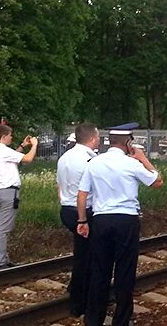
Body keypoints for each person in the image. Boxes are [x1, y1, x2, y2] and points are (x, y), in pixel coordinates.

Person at [76, 123, 163, 326]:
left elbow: (82, 194)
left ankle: (93, 319)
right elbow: (158, 182)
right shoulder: (131, 164)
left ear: (110, 141)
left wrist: (82, 220)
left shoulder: (94, 163)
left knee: (100, 270)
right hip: (126, 221)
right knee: (125, 271)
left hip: (101, 220)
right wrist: (143, 159)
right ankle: (121, 320)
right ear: (128, 142)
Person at [56, 123, 100, 317]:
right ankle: (79, 303)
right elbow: (94, 188)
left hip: (66, 209)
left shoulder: (64, 157)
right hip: (84, 212)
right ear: (91, 139)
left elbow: (59, 185)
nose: (99, 139)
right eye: (98, 136)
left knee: (81, 251)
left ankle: (74, 287)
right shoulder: (90, 160)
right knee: (87, 257)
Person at [0, 124, 38, 270]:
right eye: (10, 135)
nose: (11, 137)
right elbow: (28, 159)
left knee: (2, 226)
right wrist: (34, 146)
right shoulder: (3, 151)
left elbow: (14, 156)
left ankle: (3, 258)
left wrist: (23, 145)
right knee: (3, 229)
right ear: (3, 136)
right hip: (9, 193)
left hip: (0, 192)